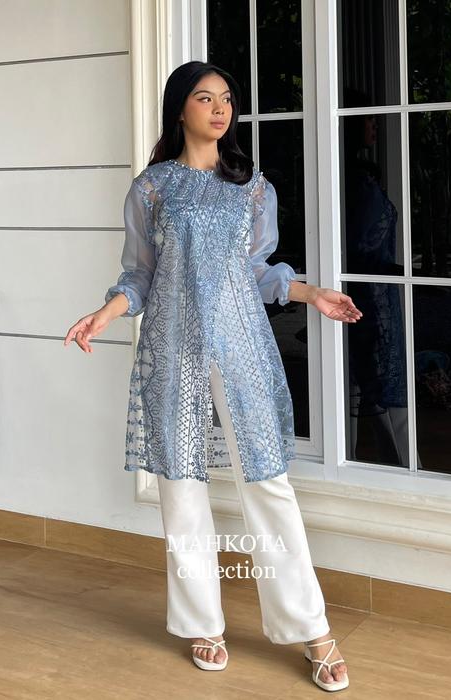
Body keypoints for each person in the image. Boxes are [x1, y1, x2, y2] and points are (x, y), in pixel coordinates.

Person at [64, 60, 361, 693]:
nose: (220, 108)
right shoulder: (151, 189)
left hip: (242, 345)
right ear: (181, 108)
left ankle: (310, 628)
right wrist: (104, 313)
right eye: (205, 98)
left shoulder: (251, 188)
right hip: (173, 348)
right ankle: (202, 622)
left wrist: (311, 293)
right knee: (182, 486)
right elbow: (140, 274)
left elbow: (257, 271)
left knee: (268, 482)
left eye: (226, 98)